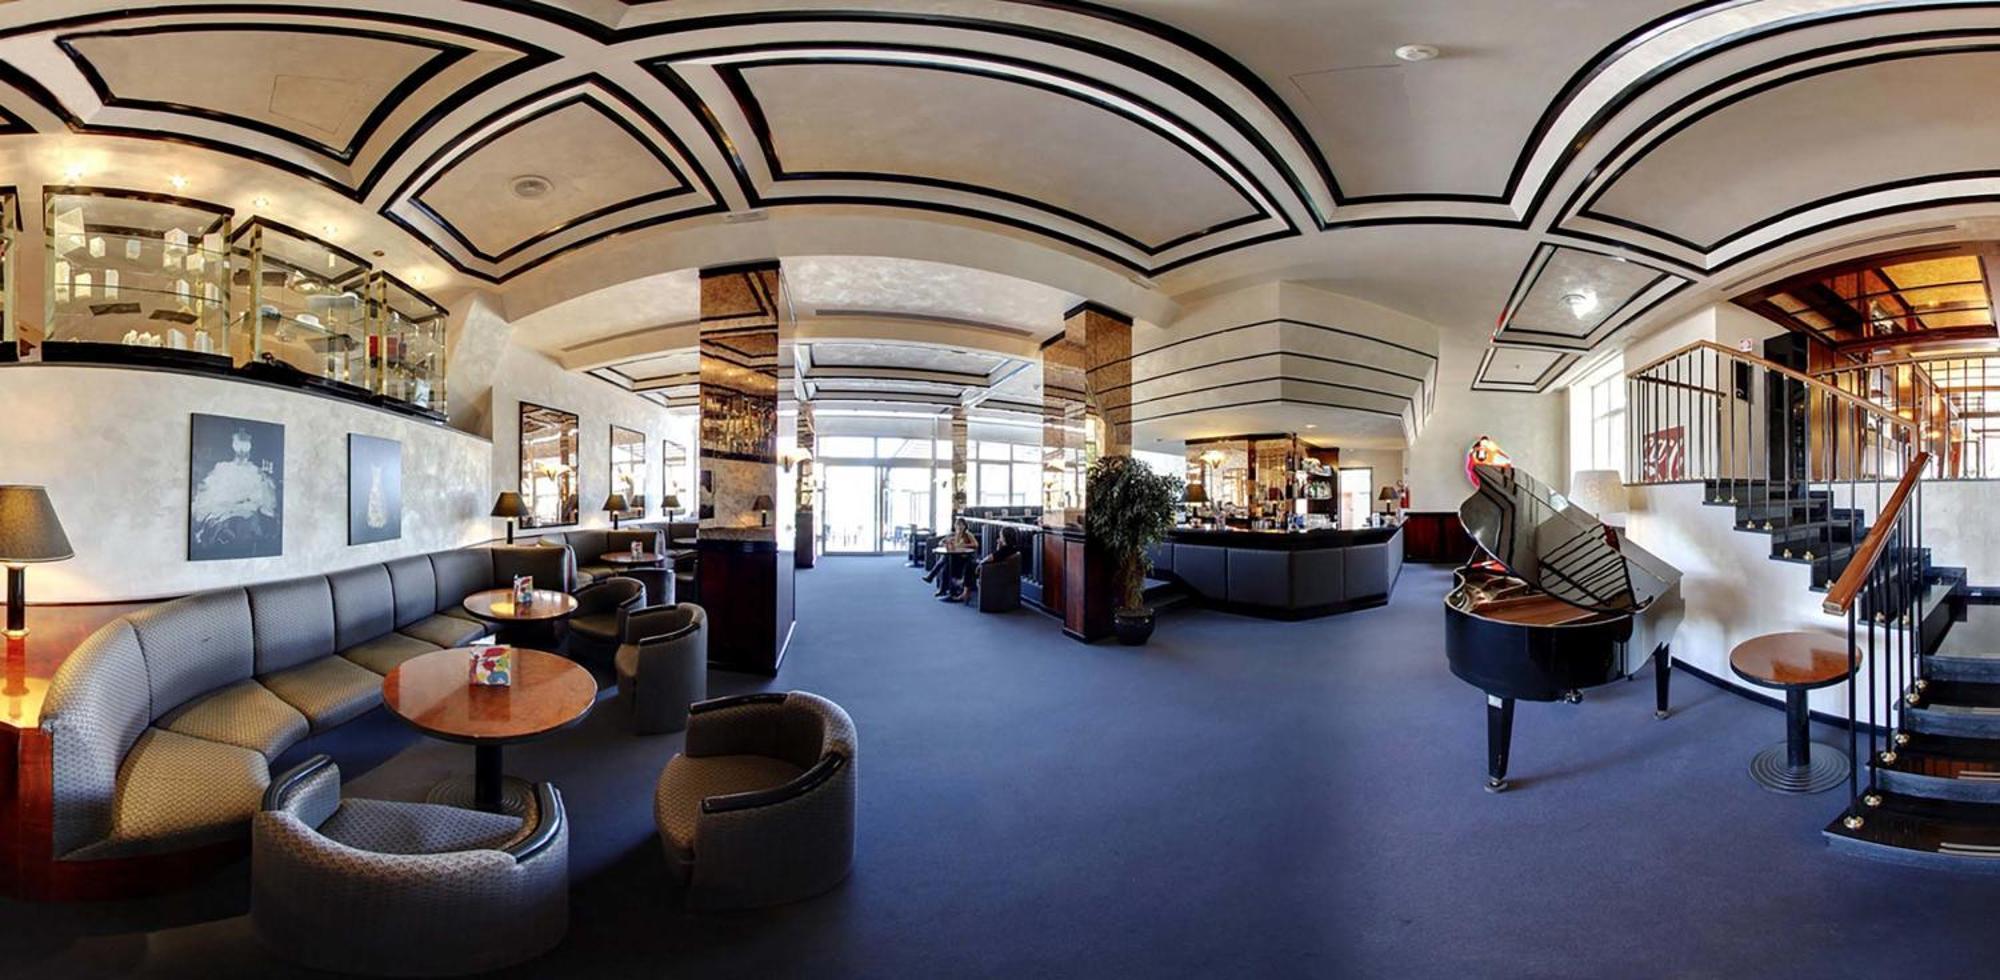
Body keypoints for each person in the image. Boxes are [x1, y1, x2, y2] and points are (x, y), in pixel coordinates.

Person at [936, 518, 978, 601]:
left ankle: (946, 589)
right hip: (956, 557)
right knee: (946, 566)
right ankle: (944, 590)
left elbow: (975, 544)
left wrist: (964, 545)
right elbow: (941, 542)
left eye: (961, 525)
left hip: (965, 557)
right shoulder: (954, 535)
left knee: (947, 562)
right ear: (955, 526)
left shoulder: (968, 534)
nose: (959, 526)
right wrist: (946, 543)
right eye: (958, 525)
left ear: (965, 526)